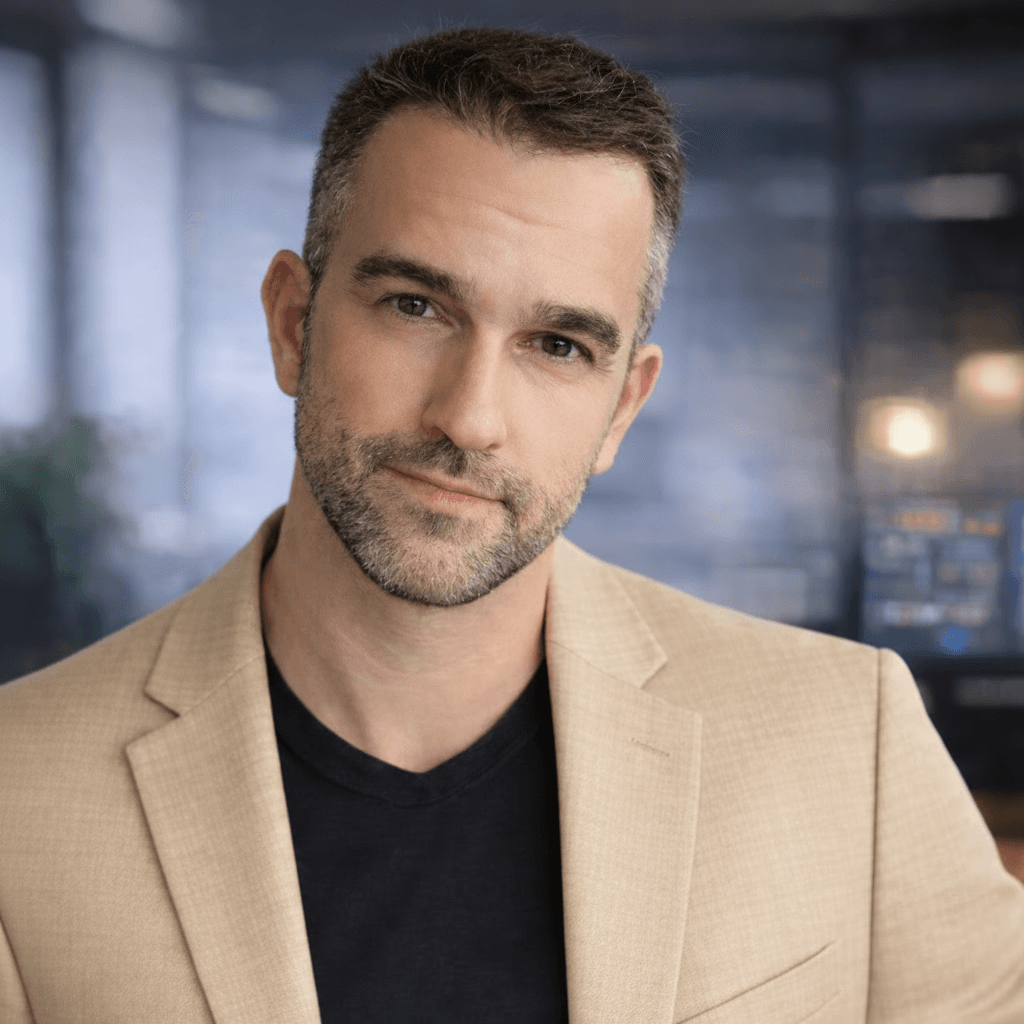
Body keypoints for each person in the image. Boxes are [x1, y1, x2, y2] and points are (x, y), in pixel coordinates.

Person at [1, 25, 1023, 1024]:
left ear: (623, 405)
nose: (468, 418)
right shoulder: (20, 791)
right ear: (290, 323)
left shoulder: (850, 741)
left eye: (558, 344)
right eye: (415, 306)